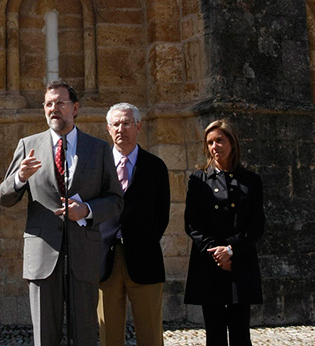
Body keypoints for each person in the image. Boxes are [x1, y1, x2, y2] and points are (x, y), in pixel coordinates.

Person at [0, 80, 124, 345]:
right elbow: (4, 197)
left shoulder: (98, 149)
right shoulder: (27, 145)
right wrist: (19, 178)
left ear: (75, 108)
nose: (53, 108)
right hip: (42, 256)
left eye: (60, 103)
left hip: (84, 254)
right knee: (45, 335)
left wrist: (87, 210)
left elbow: (115, 200)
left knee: (85, 334)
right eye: (48, 104)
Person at [184, 118, 264, 346]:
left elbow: (257, 225)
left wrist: (231, 250)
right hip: (209, 265)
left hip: (240, 262)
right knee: (215, 333)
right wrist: (217, 253)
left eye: (220, 140)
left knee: (241, 333)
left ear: (232, 142)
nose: (214, 147)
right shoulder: (199, 179)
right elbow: (192, 224)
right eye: (209, 142)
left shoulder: (251, 180)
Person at [97, 103, 170, 346]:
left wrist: (142, 239)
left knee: (150, 335)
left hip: (145, 259)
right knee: (109, 336)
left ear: (138, 126)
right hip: (105, 261)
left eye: (126, 123)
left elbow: (162, 215)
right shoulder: (97, 166)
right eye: (116, 124)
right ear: (108, 129)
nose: (121, 129)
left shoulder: (155, 167)